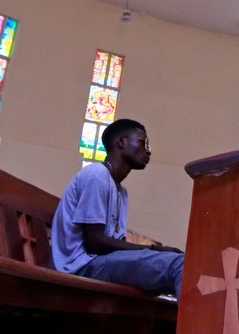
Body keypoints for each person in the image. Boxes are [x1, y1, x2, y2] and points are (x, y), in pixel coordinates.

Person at [51, 119, 184, 297]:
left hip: (102, 262)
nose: (148, 151)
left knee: (186, 266)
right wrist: (155, 250)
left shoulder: (121, 191)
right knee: (178, 266)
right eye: (142, 143)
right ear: (121, 142)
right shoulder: (97, 175)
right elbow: (95, 243)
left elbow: (114, 242)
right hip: (82, 266)